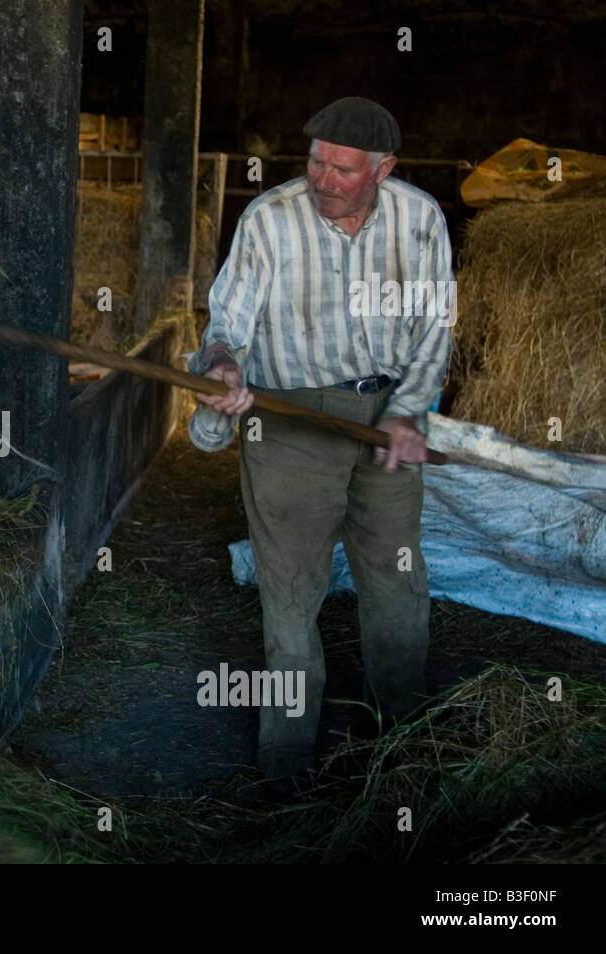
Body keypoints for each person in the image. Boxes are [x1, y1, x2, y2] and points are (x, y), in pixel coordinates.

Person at [187, 97, 453, 795]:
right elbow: (229, 322)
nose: (322, 179)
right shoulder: (269, 219)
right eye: (314, 162)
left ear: (384, 168)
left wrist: (407, 414)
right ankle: (287, 761)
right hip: (291, 417)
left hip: (385, 421)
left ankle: (406, 737)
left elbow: (434, 331)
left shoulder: (420, 220)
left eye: (342, 167)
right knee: (292, 588)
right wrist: (222, 365)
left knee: (397, 580)